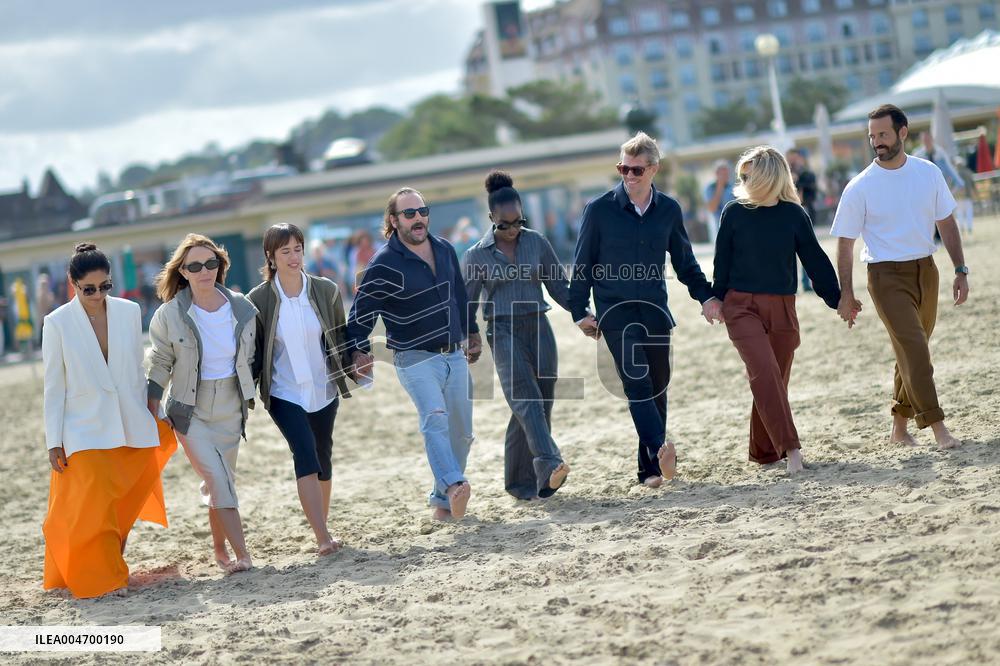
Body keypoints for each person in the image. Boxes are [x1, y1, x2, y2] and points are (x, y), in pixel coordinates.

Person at [568, 132, 723, 488]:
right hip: (615, 313)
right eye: (623, 168)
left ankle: (649, 471)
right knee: (637, 386)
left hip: (655, 311)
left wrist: (707, 297)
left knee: (657, 388)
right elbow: (582, 265)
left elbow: (685, 262)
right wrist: (579, 310)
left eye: (636, 170)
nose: (629, 176)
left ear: (653, 169)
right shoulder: (599, 210)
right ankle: (659, 450)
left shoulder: (668, 210)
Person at [831, 104, 969, 450]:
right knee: (916, 350)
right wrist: (845, 294)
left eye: (883, 134)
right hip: (885, 276)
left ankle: (898, 428)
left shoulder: (929, 173)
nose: (877, 141)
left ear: (902, 133)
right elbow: (845, 244)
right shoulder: (859, 186)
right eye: (872, 136)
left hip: (927, 271)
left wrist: (960, 269)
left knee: (908, 351)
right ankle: (938, 428)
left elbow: (946, 223)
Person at [42, 243, 175, 598]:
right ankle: (107, 577)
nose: (98, 295)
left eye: (105, 287)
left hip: (129, 421)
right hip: (82, 428)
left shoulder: (130, 312)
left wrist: (154, 410)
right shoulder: (55, 324)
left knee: (121, 504)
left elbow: (135, 369)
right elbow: (54, 385)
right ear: (73, 283)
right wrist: (53, 440)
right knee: (95, 505)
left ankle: (110, 560)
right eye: (89, 289)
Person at [346, 188, 480, 521]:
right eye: (409, 213)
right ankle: (453, 485)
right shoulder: (383, 264)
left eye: (422, 211)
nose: (418, 218)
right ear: (393, 221)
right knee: (434, 420)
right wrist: (357, 351)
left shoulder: (445, 249)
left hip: (453, 354)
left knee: (462, 432)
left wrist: (472, 331)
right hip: (414, 357)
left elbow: (460, 296)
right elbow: (360, 314)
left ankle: (441, 503)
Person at [712, 147, 841, 474]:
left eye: (748, 174)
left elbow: (816, 261)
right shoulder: (733, 212)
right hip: (740, 307)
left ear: (769, 175)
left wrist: (838, 299)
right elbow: (721, 264)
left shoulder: (794, 215)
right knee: (766, 373)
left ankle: (764, 452)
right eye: (741, 175)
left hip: (783, 307)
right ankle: (791, 450)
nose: (742, 181)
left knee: (773, 381)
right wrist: (713, 300)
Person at [147, 234, 258, 573]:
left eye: (211, 263)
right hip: (189, 412)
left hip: (231, 408)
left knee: (220, 481)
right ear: (183, 271)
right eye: (194, 266)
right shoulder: (169, 314)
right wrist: (153, 404)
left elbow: (255, 358)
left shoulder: (243, 308)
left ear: (220, 266)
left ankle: (220, 551)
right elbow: (160, 359)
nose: (204, 271)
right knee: (218, 479)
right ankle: (243, 556)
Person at [462, 171, 572, 501]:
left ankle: (522, 483)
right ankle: (550, 462)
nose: (512, 230)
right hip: (503, 329)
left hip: (539, 325)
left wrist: (583, 314)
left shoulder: (537, 242)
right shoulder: (475, 255)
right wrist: (471, 337)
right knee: (526, 400)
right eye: (503, 225)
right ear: (491, 218)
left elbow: (559, 287)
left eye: (517, 222)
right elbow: (466, 304)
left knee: (538, 403)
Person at [248, 224, 353, 556]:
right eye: (285, 251)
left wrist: (355, 364)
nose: (294, 257)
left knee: (323, 457)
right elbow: (254, 350)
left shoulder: (325, 289)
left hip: (323, 389)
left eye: (298, 249)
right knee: (305, 454)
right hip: (284, 392)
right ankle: (322, 535)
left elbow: (340, 335)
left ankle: (323, 523)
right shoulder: (258, 299)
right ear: (271, 256)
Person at [787, 148, 820, 292]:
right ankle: (792, 283)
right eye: (790, 159)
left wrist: (798, 182)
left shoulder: (808, 175)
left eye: (795, 158)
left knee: (808, 250)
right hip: (787, 217)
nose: (792, 162)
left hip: (805, 213)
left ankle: (808, 282)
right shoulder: (783, 176)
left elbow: (812, 195)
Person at [703, 159, 735, 242]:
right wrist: (720, 187)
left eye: (727, 173)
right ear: (716, 174)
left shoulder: (733, 187)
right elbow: (712, 208)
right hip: (717, 227)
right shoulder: (709, 188)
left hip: (732, 227)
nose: (726, 176)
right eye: (723, 174)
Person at [952, 156, 976, 234]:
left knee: (960, 214)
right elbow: (973, 185)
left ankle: (961, 227)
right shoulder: (968, 172)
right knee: (969, 213)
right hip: (968, 196)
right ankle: (969, 227)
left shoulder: (954, 174)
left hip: (958, 198)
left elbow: (951, 186)